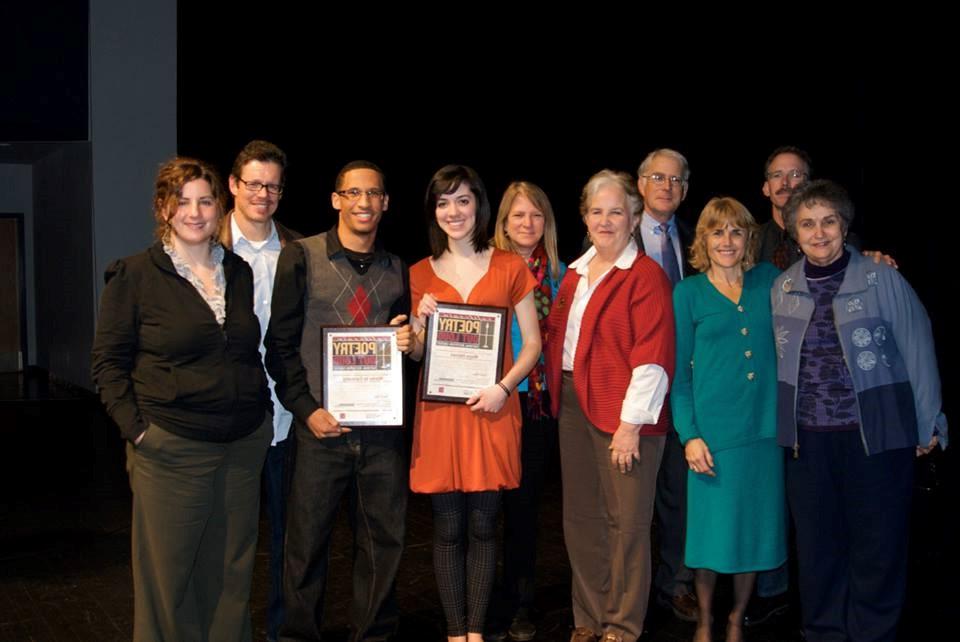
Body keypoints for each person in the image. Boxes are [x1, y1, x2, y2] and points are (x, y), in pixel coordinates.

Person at [91, 157, 272, 641]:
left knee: (232, 576)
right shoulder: (133, 276)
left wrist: (261, 418)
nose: (195, 212)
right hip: (172, 449)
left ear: (219, 206)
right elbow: (107, 365)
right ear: (163, 208)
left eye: (205, 200)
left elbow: (245, 350)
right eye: (182, 200)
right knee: (169, 580)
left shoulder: (237, 271)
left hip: (241, 446)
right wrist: (140, 431)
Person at [771, 179, 947, 642]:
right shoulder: (782, 286)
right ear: (794, 232)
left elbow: (918, 345)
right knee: (818, 549)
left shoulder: (880, 277)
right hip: (807, 444)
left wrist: (928, 422)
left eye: (828, 221)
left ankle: (873, 632)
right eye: (807, 224)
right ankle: (824, 632)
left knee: (878, 546)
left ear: (844, 226)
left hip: (877, 435)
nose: (819, 232)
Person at [265, 160, 413, 642]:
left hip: (381, 432)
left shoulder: (398, 270)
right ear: (336, 200)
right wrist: (307, 411)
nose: (364, 202)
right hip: (319, 430)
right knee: (305, 547)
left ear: (385, 203)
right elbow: (280, 346)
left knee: (383, 544)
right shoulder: (302, 257)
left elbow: (402, 345)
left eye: (373, 194)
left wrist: (407, 341)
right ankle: (298, 637)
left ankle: (372, 634)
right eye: (353, 193)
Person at [408, 165, 541, 642]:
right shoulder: (419, 273)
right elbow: (420, 355)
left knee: (485, 526)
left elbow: (532, 345)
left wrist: (503, 388)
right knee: (447, 528)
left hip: (493, 407)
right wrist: (419, 327)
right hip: (442, 415)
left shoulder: (509, 266)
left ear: (479, 206)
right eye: (443, 202)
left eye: (462, 200)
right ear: (433, 212)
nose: (453, 211)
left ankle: (477, 632)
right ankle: (454, 631)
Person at [545, 170, 675, 642]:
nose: (605, 220)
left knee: (627, 523)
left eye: (616, 211)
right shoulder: (576, 273)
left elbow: (654, 356)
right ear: (584, 216)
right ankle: (589, 618)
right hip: (576, 406)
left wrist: (630, 426)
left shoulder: (645, 277)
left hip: (625, 413)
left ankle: (621, 625)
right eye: (596, 211)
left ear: (634, 217)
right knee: (580, 518)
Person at [670, 197, 786, 642]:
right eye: (717, 232)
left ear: (749, 238)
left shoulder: (770, 282)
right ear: (703, 240)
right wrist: (690, 436)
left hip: (763, 433)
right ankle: (704, 620)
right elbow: (679, 377)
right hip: (712, 440)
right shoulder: (688, 293)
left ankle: (736, 618)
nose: (727, 241)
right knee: (709, 537)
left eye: (736, 231)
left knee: (753, 535)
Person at [220, 139, 301, 641]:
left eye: (272, 186)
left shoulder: (300, 249)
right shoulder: (203, 245)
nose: (263, 194)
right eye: (254, 183)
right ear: (233, 185)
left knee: (290, 541)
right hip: (228, 419)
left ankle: (280, 632)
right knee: (229, 541)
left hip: (288, 417)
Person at [488, 181, 567, 641]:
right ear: (502, 223)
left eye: (536, 216)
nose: (527, 224)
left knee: (524, 508)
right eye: (518, 216)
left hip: (537, 405)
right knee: (486, 509)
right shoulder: (487, 267)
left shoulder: (559, 273)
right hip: (496, 399)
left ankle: (519, 602)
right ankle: (486, 600)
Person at [635, 149, 699, 623]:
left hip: (682, 384)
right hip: (631, 387)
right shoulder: (613, 233)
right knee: (632, 499)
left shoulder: (699, 240)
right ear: (640, 184)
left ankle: (674, 585)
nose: (666, 186)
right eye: (658, 177)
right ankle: (628, 593)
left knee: (679, 494)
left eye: (675, 180)